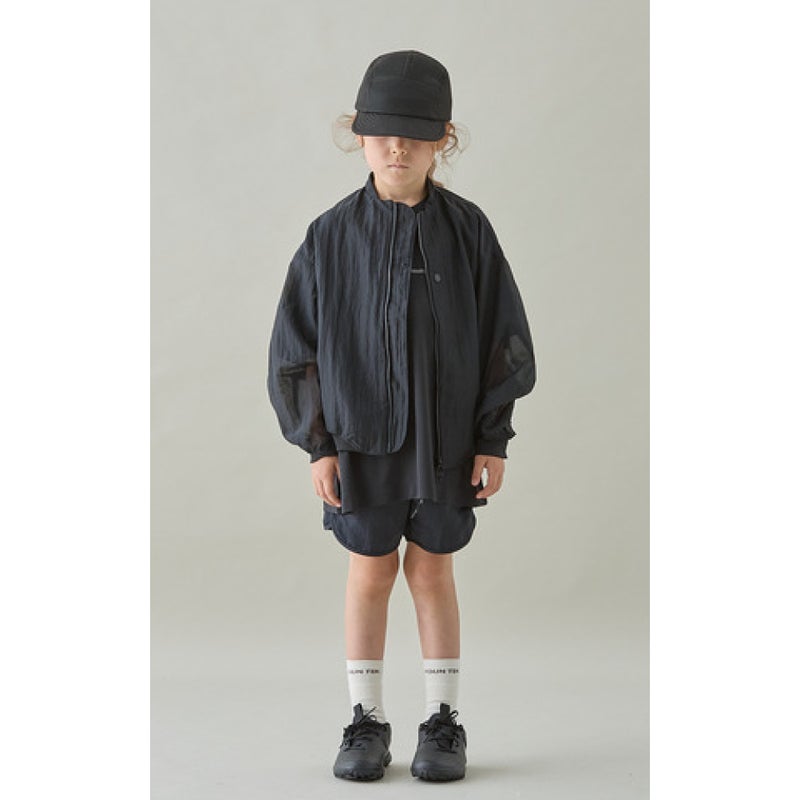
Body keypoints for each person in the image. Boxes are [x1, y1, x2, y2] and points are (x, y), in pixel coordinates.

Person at [267, 50, 536, 782]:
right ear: (358, 134)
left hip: (447, 437)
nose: (397, 148)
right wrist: (318, 444)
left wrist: (492, 437)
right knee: (370, 570)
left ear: (443, 138)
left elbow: (503, 336)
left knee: (432, 568)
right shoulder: (329, 237)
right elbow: (295, 347)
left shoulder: (469, 231)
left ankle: (443, 721)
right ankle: (366, 719)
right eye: (383, 132)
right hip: (360, 434)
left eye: (416, 134)